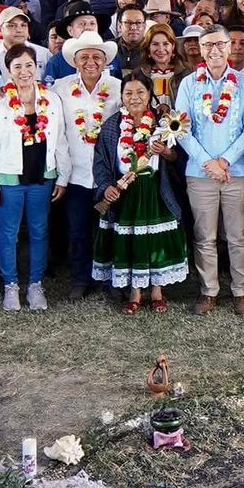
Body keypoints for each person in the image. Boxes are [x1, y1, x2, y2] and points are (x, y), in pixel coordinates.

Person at [175, 24, 244, 314]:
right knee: (204, 236)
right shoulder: (189, 84)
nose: (214, 50)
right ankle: (208, 290)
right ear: (200, 49)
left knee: (239, 234)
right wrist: (208, 163)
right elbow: (181, 128)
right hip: (200, 173)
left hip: (236, 171)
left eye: (219, 44)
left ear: (229, 47)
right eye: (207, 45)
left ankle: (240, 291)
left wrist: (224, 161)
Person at [0, 44, 70, 311]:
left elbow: (61, 139)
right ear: (8, 70)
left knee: (40, 231)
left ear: (36, 67)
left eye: (29, 65)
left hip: (43, 176)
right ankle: (10, 286)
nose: (24, 71)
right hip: (9, 178)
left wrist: (62, 177)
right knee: (8, 233)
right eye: (17, 66)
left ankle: (35, 285)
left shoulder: (51, 100)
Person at [92, 73, 189, 311]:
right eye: (128, 93)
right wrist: (107, 188)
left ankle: (157, 292)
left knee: (155, 239)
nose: (134, 98)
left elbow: (180, 159)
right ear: (122, 96)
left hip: (156, 191)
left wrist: (166, 153)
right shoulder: (112, 126)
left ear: (149, 95)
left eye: (140, 92)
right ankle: (134, 294)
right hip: (126, 194)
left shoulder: (164, 123)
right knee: (132, 240)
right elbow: (101, 163)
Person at [52, 33, 122, 300]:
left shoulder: (117, 87)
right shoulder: (60, 87)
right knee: (78, 230)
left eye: (96, 57)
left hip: (109, 176)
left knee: (108, 228)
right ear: (75, 61)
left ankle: (109, 280)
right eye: (84, 57)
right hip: (76, 174)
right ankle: (81, 279)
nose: (90, 62)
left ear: (105, 61)